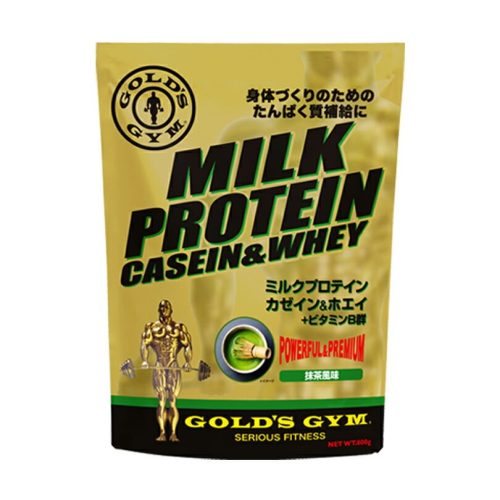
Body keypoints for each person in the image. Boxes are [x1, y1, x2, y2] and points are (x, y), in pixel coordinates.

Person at [140, 299, 192, 441]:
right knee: (161, 399)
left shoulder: (178, 328)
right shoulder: (151, 327)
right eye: (162, 307)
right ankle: (162, 432)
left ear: (171, 309)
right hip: (159, 365)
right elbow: (144, 344)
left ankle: (173, 433)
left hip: (173, 364)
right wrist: (144, 360)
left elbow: (187, 345)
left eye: (166, 307)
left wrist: (188, 362)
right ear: (159, 310)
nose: (164, 309)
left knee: (173, 399)